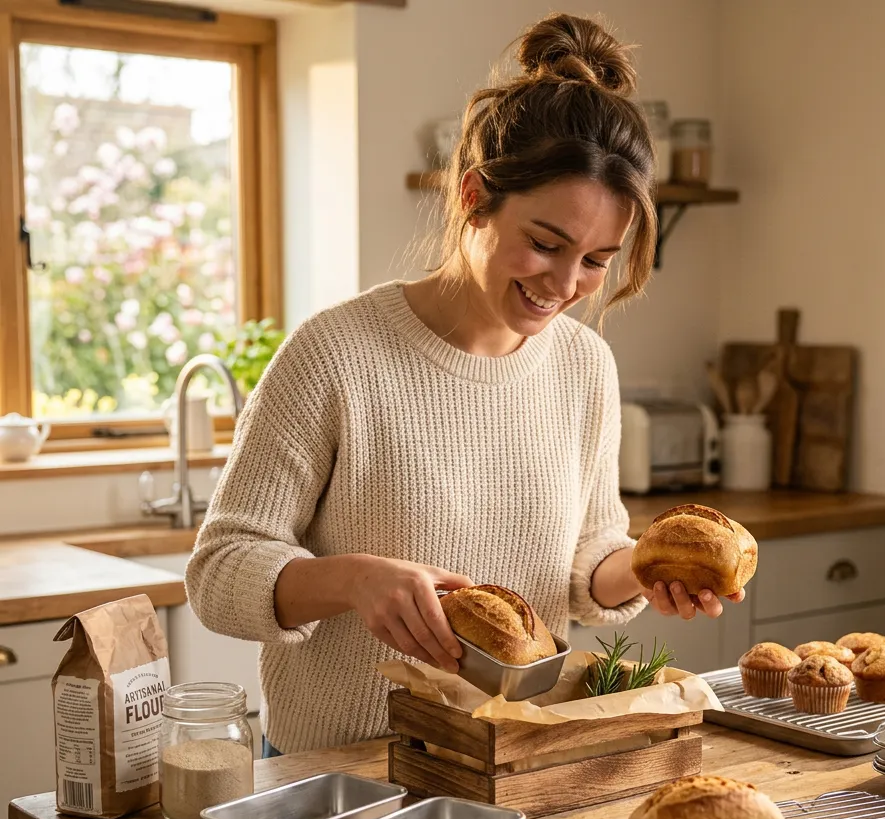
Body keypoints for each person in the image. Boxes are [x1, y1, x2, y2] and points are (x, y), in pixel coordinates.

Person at [186, 13, 743, 757]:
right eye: (545, 244)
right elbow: (220, 570)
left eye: (596, 259)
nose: (566, 284)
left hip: (515, 761)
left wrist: (642, 568)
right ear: (475, 196)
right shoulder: (336, 353)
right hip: (347, 771)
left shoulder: (584, 366)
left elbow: (584, 564)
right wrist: (350, 581)